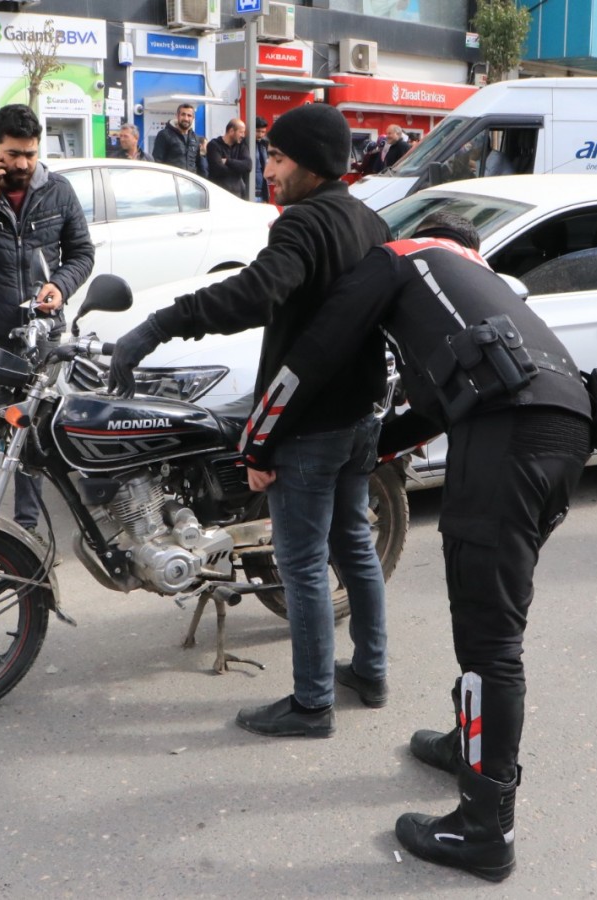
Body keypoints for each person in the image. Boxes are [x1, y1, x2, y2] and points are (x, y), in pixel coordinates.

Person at [239, 211, 591, 881]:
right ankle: (469, 746)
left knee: (489, 641)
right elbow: (439, 399)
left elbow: (311, 354)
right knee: (490, 619)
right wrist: (377, 447)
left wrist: (257, 440)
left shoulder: (395, 260)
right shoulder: (473, 284)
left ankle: (485, 830)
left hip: (507, 441)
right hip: (563, 432)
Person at [107, 103, 392, 739]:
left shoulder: (302, 225)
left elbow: (254, 293)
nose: (269, 167)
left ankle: (312, 703)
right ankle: (370, 670)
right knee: (353, 545)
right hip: (360, 416)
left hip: (312, 423)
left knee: (302, 562)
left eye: (280, 157)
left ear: (313, 166)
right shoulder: (369, 220)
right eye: (269, 153)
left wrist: (158, 326)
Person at [0, 104, 95, 535]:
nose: (23, 164)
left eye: (30, 153)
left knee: (32, 440)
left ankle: (26, 534)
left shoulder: (58, 190)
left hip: (42, 334)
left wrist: (61, 286)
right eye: (13, 154)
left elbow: (82, 253)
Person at [206, 118, 251, 197]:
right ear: (231, 131)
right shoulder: (214, 145)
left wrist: (227, 161)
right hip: (217, 194)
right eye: (241, 132)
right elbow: (218, 169)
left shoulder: (242, 146)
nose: (243, 136)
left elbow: (248, 166)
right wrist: (239, 169)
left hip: (237, 195)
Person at [152, 103, 202, 174]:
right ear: (177, 116)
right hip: (171, 181)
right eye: (183, 114)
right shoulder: (164, 135)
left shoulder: (195, 138)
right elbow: (157, 161)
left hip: (190, 183)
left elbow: (198, 164)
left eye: (189, 115)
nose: (186, 118)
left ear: (193, 118)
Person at [253, 117, 270, 202]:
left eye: (263, 132)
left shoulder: (264, 144)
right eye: (258, 131)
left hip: (262, 190)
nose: (260, 135)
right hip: (251, 191)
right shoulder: (245, 144)